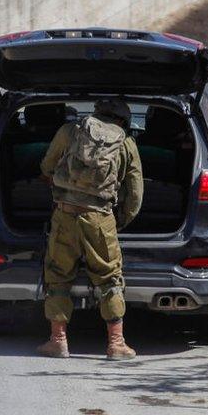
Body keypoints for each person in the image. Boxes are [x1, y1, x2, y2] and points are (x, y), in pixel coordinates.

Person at [36, 99, 143, 360]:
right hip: (100, 218)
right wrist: (119, 222)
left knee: (58, 273)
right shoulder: (126, 142)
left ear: (95, 114)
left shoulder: (70, 131)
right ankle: (116, 344)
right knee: (109, 277)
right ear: (123, 122)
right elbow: (135, 192)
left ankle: (57, 341)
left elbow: (47, 167)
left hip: (65, 214)